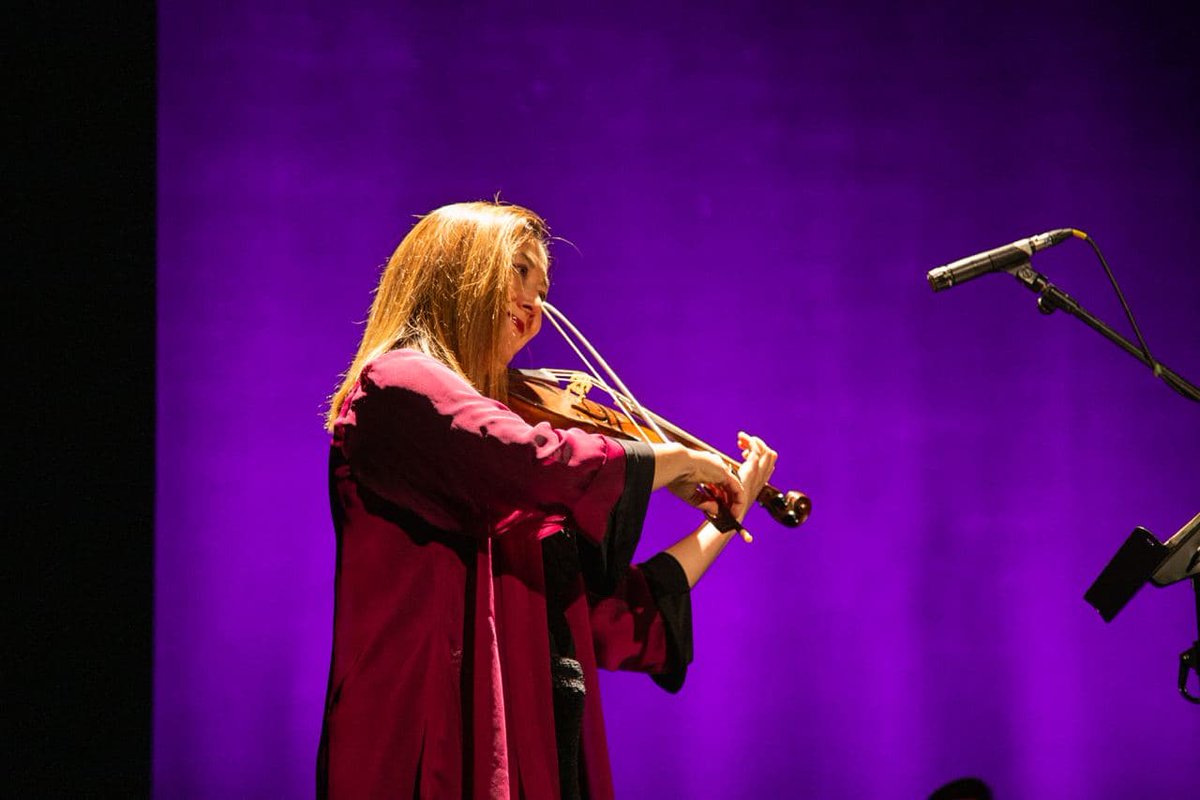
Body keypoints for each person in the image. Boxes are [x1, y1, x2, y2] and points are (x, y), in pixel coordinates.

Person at [317, 200, 777, 799]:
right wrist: (676, 462)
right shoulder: (398, 383)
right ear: (455, 269)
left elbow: (612, 616)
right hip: (428, 736)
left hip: (538, 748)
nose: (535, 306)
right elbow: (532, 458)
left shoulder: (508, 465)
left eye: (543, 289)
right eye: (520, 272)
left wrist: (723, 521)